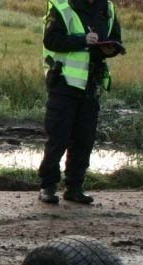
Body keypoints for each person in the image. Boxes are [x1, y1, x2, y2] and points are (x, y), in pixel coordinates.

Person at [38, 0, 123, 204]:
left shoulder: (108, 8)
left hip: (91, 84)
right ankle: (48, 187)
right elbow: (51, 40)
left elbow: (115, 39)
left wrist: (111, 48)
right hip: (64, 82)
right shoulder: (61, 6)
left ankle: (74, 187)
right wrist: (83, 40)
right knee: (58, 137)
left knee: (84, 139)